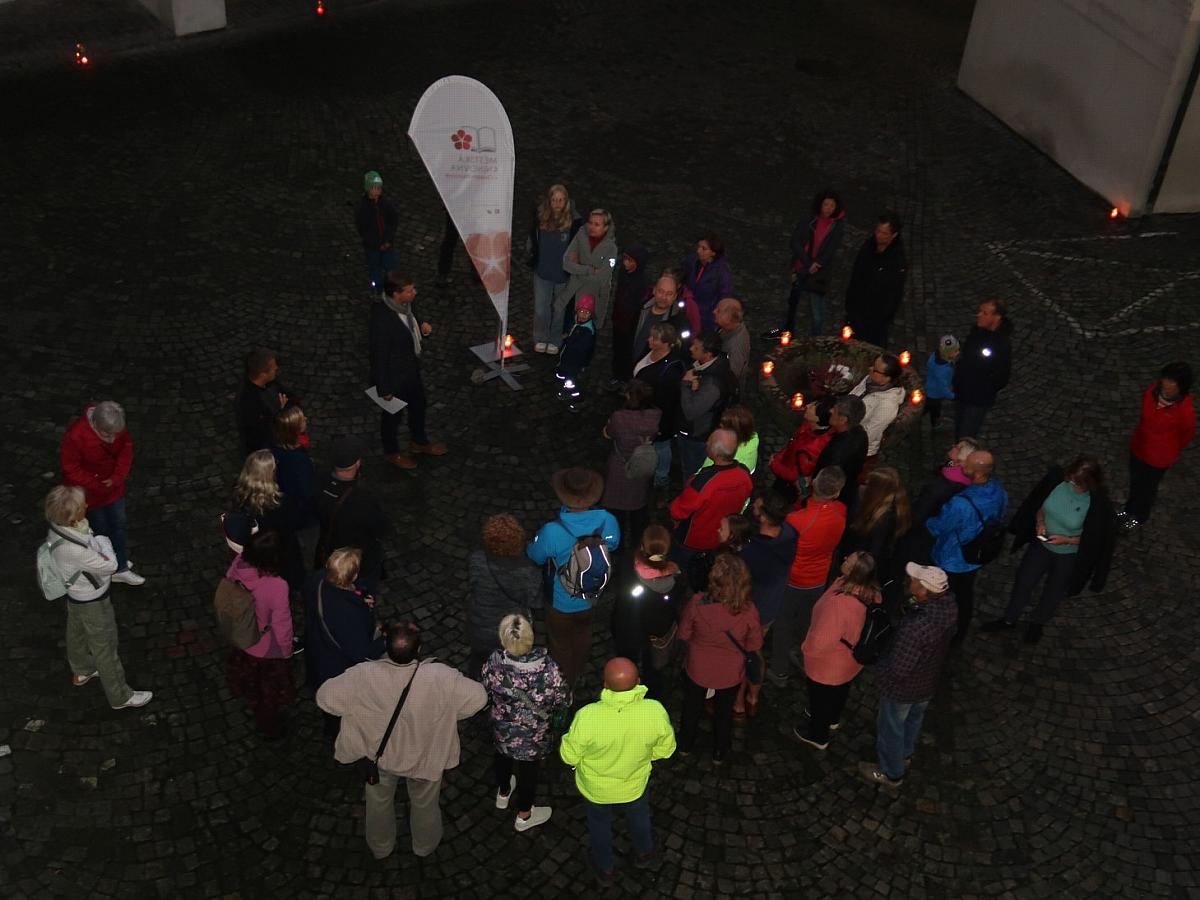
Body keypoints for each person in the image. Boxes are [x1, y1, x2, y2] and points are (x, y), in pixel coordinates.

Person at [316, 621, 487, 859]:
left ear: (386, 646)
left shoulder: (363, 675)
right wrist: (450, 714)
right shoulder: (441, 676)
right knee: (425, 803)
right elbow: (479, 698)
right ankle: (424, 847)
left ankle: (381, 847)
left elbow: (325, 698)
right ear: (419, 649)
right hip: (425, 757)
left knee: (378, 803)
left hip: (379, 758)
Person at [559, 657, 676, 884]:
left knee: (599, 825)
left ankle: (605, 868)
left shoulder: (588, 716)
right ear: (638, 681)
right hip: (634, 784)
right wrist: (644, 757)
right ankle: (644, 853)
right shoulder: (654, 711)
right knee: (639, 817)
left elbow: (569, 756)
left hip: (596, 789)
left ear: (605, 684)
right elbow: (666, 749)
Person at [984, 456, 1115, 644]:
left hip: (1068, 555)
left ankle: (1037, 623)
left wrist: (1067, 540)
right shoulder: (1057, 482)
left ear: (1089, 483)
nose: (1071, 484)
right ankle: (1009, 619)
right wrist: (1040, 522)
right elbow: (1041, 506)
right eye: (1071, 478)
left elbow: (1095, 540)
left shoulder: (1098, 504)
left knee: (1054, 592)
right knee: (1024, 581)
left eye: (1076, 482)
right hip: (1041, 545)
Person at [43, 485, 152, 709]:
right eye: (82, 506)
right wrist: (103, 540)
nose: (87, 505)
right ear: (73, 517)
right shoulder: (74, 549)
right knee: (105, 647)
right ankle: (120, 696)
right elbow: (110, 565)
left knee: (76, 631)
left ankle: (82, 669)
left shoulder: (60, 527)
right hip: (92, 600)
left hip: (76, 596)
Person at [858, 563, 957, 791]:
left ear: (923, 590)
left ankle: (891, 772)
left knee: (891, 729)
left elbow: (899, 670)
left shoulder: (916, 628)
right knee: (913, 720)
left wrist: (881, 667)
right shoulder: (949, 607)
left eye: (914, 580)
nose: (910, 581)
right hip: (927, 682)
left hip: (903, 690)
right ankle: (905, 753)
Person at [526, 468, 620, 686]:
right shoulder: (608, 520)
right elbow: (613, 545)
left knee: (560, 642)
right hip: (591, 595)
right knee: (583, 632)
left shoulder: (552, 531)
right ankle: (579, 671)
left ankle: (564, 682)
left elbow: (536, 556)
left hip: (560, 601)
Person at [481, 614, 571, 833]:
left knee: (502, 758)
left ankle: (503, 793)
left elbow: (484, 686)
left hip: (502, 726)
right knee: (529, 772)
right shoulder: (549, 669)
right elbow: (563, 700)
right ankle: (524, 815)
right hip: (535, 733)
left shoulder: (494, 661)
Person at [677, 554, 763, 762]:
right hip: (730, 672)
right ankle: (719, 752)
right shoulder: (749, 611)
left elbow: (684, 634)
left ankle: (685, 745)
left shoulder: (697, 603)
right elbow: (754, 645)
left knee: (691, 708)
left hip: (698, 667)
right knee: (724, 713)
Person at [768, 467, 848, 686]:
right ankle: (804, 659)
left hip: (793, 580)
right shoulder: (840, 511)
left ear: (813, 483)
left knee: (783, 624)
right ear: (837, 492)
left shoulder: (796, 520)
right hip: (819, 580)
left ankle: (779, 671)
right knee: (809, 623)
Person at [794, 551, 882, 750]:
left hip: (829, 664)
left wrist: (806, 649)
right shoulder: (872, 593)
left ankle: (818, 735)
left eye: (848, 561)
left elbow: (821, 641)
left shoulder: (840, 604)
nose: (844, 559)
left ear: (853, 572)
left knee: (820, 698)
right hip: (849, 661)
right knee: (840, 690)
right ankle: (833, 718)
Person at [60, 400, 145, 586]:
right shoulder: (76, 436)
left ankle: (120, 565)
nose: (113, 439)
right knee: (101, 530)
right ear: (95, 424)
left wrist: (117, 477)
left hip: (112, 488)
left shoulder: (114, 425)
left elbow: (126, 448)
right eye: (107, 435)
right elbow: (71, 468)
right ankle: (112, 565)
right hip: (91, 494)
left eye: (115, 434)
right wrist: (97, 484)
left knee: (118, 524)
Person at [925, 450, 1008, 640]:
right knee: (965, 594)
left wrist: (927, 520)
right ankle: (961, 629)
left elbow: (939, 527)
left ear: (976, 472)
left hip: (952, 558)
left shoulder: (960, 503)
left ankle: (938, 631)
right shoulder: (999, 491)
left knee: (942, 595)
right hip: (975, 555)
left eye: (967, 465)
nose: (962, 465)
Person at [369, 272, 447, 470]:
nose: (415, 293)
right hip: (394, 377)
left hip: (410, 369)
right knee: (392, 417)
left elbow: (412, 323)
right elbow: (379, 357)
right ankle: (391, 451)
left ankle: (419, 442)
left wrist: (422, 327)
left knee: (419, 405)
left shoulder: (406, 306)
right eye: (410, 291)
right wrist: (384, 388)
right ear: (396, 294)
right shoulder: (382, 320)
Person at [303, 548, 385, 735]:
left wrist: (360, 597)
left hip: (317, 651)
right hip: (335, 669)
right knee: (337, 710)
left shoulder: (316, 580)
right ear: (353, 575)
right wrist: (384, 640)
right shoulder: (347, 613)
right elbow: (361, 652)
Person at [225, 529, 295, 739]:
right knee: (268, 694)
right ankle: (270, 727)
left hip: (242, 636)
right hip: (265, 648)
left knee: (251, 683)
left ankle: (250, 699)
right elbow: (282, 626)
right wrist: (286, 652)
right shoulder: (277, 586)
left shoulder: (238, 564)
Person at [737, 492, 797, 716]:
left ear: (763, 517)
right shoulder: (790, 533)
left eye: (757, 507)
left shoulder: (755, 552)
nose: (753, 506)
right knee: (755, 650)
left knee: (746, 654)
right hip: (771, 605)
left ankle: (740, 700)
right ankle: (753, 696)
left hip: (753, 609)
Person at [1118, 361, 1196, 531]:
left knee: (1147, 489)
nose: (1166, 385)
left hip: (1158, 459)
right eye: (1165, 379)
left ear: (1181, 387)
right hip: (1139, 447)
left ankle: (1139, 517)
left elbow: (1186, 435)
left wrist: (1168, 447)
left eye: (1172, 383)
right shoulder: (1152, 391)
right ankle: (1128, 510)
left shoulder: (1184, 412)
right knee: (1135, 482)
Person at [610, 524, 684, 701]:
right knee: (653, 669)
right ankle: (652, 697)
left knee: (628, 661)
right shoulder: (675, 575)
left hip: (629, 629)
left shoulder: (628, 566)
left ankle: (625, 694)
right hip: (657, 631)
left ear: (643, 546)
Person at [669, 429, 754, 573]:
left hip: (693, 540)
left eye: (709, 441)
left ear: (716, 453)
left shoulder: (702, 482)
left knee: (682, 566)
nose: (706, 443)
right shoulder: (744, 475)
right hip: (721, 539)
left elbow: (678, 511)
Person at [467, 514, 541, 678]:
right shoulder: (527, 570)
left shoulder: (477, 560)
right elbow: (535, 601)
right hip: (511, 633)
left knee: (478, 663)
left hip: (480, 627)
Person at [315, 436, 392, 593]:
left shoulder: (319, 480)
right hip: (357, 559)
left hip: (330, 549)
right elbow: (381, 528)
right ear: (357, 464)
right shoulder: (362, 499)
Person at [766, 189, 846, 338]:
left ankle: (815, 340)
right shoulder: (809, 219)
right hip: (802, 267)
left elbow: (830, 251)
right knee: (792, 304)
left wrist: (815, 264)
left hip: (818, 273)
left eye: (832, 205)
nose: (828, 208)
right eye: (826, 204)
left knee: (816, 312)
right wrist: (808, 264)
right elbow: (795, 241)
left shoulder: (836, 227)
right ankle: (783, 331)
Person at [601, 380, 662, 541]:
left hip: (620, 465)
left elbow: (608, 433)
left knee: (616, 505)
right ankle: (637, 537)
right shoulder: (655, 415)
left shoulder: (619, 417)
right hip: (642, 463)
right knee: (639, 501)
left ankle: (617, 539)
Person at [528, 184, 582, 353]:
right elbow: (533, 239)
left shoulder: (574, 222)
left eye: (561, 200)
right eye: (554, 200)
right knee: (541, 309)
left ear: (566, 201)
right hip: (542, 271)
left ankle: (555, 339)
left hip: (562, 274)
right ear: (549, 201)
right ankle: (540, 337)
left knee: (559, 310)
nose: (557, 203)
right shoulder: (540, 219)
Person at [633, 322, 687, 488]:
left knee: (662, 447)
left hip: (660, 419)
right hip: (646, 410)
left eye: (654, 339)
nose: (649, 340)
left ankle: (661, 475)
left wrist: (659, 425)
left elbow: (668, 403)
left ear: (666, 343)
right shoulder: (651, 351)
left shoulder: (670, 371)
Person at [952, 299, 1013, 440]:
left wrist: (981, 388)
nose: (978, 315)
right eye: (980, 311)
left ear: (996, 317)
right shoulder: (977, 331)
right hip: (962, 391)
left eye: (984, 313)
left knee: (966, 435)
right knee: (959, 429)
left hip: (977, 399)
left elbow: (1002, 377)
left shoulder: (1001, 344)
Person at [844, 211, 906, 348]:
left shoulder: (896, 260)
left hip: (876, 318)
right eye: (878, 231)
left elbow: (894, 292)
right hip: (857, 310)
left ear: (893, 235)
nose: (879, 235)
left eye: (884, 233)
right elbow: (856, 275)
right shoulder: (868, 247)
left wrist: (884, 316)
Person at [271, 405, 319, 580]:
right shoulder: (299, 461)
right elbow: (306, 493)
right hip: (304, 518)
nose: (306, 419)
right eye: (301, 419)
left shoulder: (275, 448)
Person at [676, 332, 735, 478]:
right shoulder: (708, 367)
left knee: (691, 471)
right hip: (696, 430)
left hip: (696, 434)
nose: (690, 348)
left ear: (708, 354)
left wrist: (686, 384)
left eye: (696, 348)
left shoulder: (712, 385)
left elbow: (691, 412)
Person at [837, 466, 911, 581]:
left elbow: (874, 555)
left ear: (877, 489)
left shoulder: (884, 521)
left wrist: (851, 565)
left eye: (870, 483)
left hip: (859, 569)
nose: (866, 482)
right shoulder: (871, 501)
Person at [769, 396, 836, 503]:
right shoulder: (810, 426)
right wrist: (779, 457)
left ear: (818, 418)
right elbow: (792, 443)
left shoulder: (813, 448)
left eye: (812, 407)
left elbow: (794, 475)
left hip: (788, 487)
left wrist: (774, 464)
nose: (808, 406)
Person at [561, 209, 618, 331]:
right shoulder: (581, 236)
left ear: (606, 228)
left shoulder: (611, 249)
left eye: (597, 224)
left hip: (595, 296)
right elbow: (566, 263)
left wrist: (578, 267)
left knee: (588, 331)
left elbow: (602, 278)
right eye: (590, 223)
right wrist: (590, 270)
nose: (592, 227)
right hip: (575, 292)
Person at [236, 348, 297, 457]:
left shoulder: (270, 383)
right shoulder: (249, 403)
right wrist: (280, 412)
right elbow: (261, 432)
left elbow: (290, 396)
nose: (276, 368)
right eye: (273, 369)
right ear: (263, 374)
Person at [813, 395, 869, 510]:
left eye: (835, 410)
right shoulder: (861, 434)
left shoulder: (838, 451)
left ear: (843, 420)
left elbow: (827, 480)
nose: (830, 410)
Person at [609, 244, 651, 388]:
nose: (626, 263)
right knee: (617, 349)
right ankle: (616, 374)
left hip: (630, 324)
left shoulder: (642, 282)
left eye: (630, 260)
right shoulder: (623, 273)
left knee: (627, 351)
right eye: (625, 259)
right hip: (619, 319)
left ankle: (625, 378)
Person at [849, 353, 906, 459]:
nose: (870, 369)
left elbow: (869, 434)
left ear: (887, 378)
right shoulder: (870, 380)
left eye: (875, 370)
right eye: (872, 365)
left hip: (857, 448)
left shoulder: (888, 405)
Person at [631, 271, 696, 362]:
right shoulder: (639, 310)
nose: (664, 297)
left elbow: (682, 355)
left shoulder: (680, 324)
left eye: (669, 294)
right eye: (661, 291)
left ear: (675, 296)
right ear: (654, 290)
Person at [355, 170, 398, 292]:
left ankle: (392, 288)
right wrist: (376, 244)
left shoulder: (385, 204)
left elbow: (393, 221)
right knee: (375, 268)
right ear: (368, 189)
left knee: (391, 266)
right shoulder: (362, 208)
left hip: (387, 244)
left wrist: (388, 240)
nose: (378, 191)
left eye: (379, 188)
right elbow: (363, 230)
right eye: (375, 188)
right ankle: (378, 288)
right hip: (372, 247)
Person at [681, 233, 733, 331]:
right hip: (687, 309)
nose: (698, 250)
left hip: (705, 317)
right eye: (699, 246)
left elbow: (724, 297)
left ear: (713, 253)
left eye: (704, 249)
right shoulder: (692, 261)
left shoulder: (722, 273)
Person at [555, 295, 598, 412]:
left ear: (591, 314)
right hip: (567, 359)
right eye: (581, 311)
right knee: (564, 377)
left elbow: (581, 348)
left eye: (587, 313)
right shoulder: (577, 323)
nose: (583, 315)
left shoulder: (587, 331)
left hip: (575, 363)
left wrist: (567, 340)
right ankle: (566, 389)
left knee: (574, 383)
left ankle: (578, 400)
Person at [700, 406, 759, 475]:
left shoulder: (722, 452)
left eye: (723, 426)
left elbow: (704, 473)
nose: (720, 426)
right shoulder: (753, 439)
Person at [714, 297, 750, 392]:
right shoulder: (729, 328)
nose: (714, 312)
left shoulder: (736, 346)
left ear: (729, 318)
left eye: (719, 311)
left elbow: (733, 374)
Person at [924, 335, 959, 429]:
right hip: (935, 394)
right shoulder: (943, 370)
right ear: (948, 354)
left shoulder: (935, 357)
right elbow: (943, 388)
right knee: (934, 409)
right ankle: (935, 424)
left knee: (929, 406)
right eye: (955, 351)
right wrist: (953, 396)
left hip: (930, 388)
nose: (958, 352)